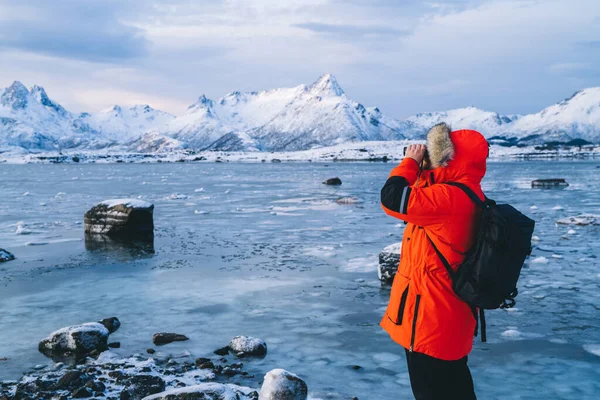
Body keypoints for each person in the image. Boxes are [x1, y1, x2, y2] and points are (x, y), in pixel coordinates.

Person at [379, 122, 489, 400]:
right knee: (455, 390)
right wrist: (425, 170)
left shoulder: (448, 198)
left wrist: (409, 162)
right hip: (450, 319)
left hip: (430, 321)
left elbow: (392, 198)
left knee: (433, 392)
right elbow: (417, 200)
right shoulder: (467, 193)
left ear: (450, 159)